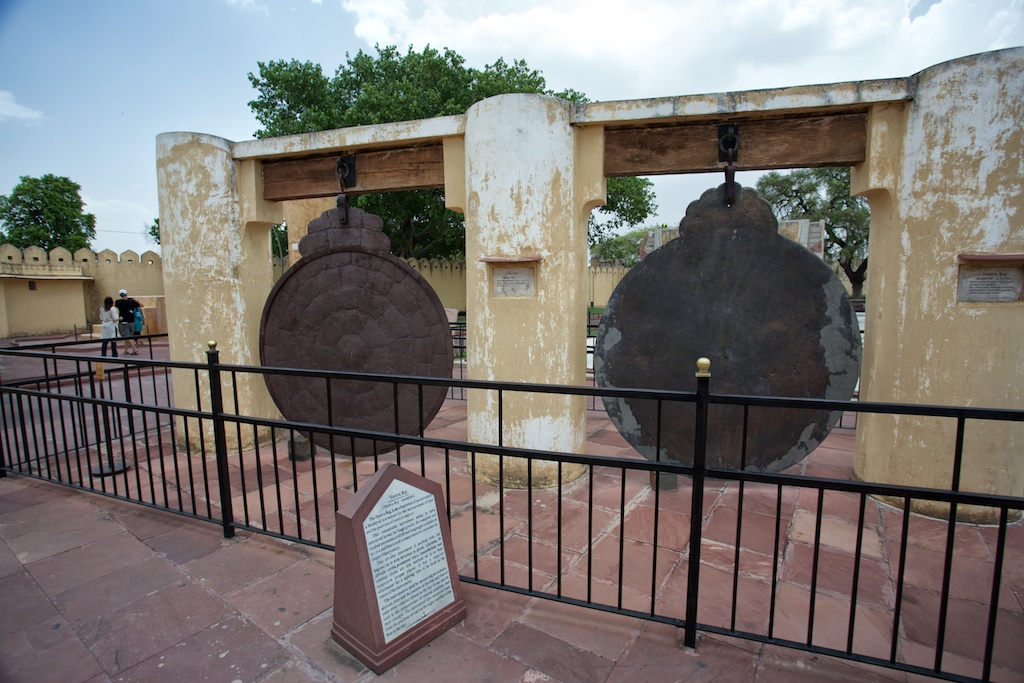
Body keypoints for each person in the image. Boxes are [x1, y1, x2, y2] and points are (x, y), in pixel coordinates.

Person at [114, 289, 142, 355]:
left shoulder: (118, 302)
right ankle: (126, 350)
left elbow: (116, 306)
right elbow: (139, 304)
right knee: (129, 337)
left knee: (127, 336)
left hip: (123, 321)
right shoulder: (131, 301)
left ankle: (135, 349)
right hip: (132, 321)